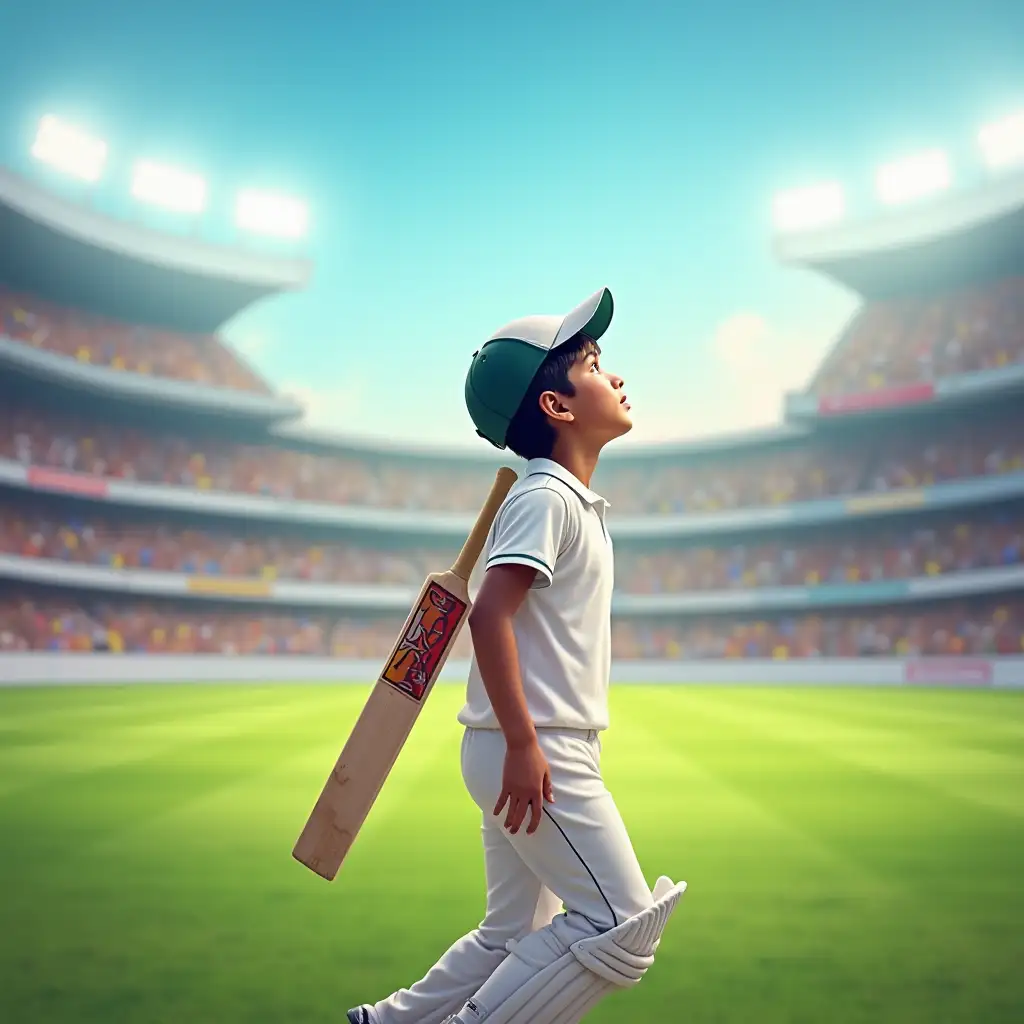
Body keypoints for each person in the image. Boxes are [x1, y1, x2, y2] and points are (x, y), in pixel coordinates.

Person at [348, 287, 685, 1024]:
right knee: (621, 924)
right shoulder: (546, 499)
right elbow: (490, 614)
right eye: (595, 364)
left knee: (512, 933)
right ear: (558, 408)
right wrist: (528, 742)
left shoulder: (563, 500)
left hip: (524, 743)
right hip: (533, 747)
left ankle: (387, 1022)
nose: (615, 376)